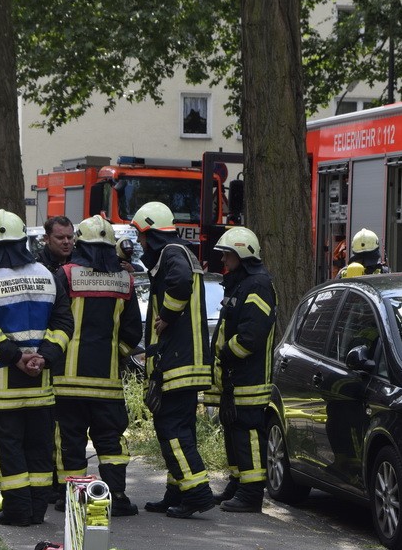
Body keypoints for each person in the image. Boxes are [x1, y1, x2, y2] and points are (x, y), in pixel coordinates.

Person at [0, 209, 73, 526]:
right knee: (39, 447)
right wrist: (44, 357)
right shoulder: (48, 276)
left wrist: (16, 358)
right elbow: (64, 324)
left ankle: (17, 509)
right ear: (25, 241)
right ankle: (36, 510)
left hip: (0, 389)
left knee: (8, 447)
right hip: (40, 384)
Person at [51, 216, 144, 516]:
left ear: (80, 244)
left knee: (70, 440)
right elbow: (133, 333)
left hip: (67, 380)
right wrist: (113, 354)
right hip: (108, 383)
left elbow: (52, 322)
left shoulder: (64, 275)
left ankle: (73, 497)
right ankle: (116, 495)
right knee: (110, 441)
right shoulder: (125, 281)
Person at [131, 200, 216, 518]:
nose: (140, 243)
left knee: (173, 430)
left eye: (141, 236)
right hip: (182, 361)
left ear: (151, 232)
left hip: (179, 362)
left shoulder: (172, 254)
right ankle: (177, 491)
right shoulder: (178, 252)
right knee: (180, 430)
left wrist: (166, 316)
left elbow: (179, 283)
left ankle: (196, 494)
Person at [206, 227, 277, 513]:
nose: (223, 260)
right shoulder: (242, 283)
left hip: (249, 378)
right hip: (236, 377)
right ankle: (238, 483)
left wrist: (225, 354)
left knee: (248, 433)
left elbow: (251, 336)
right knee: (235, 432)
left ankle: (251, 493)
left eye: (227, 255)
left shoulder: (257, 285)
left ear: (242, 255)